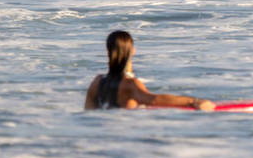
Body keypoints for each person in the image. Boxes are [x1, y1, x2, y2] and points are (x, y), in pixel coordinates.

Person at [84, 30, 216, 111]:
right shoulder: (130, 84)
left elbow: (89, 112)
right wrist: (194, 102)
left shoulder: (97, 82)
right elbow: (152, 99)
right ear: (133, 51)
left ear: (108, 51)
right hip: (125, 136)